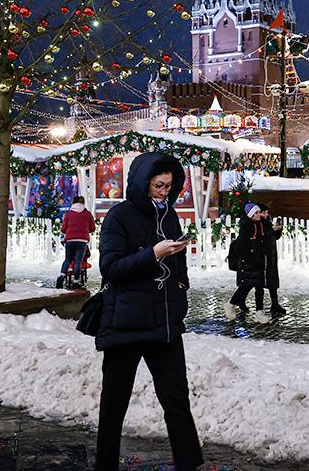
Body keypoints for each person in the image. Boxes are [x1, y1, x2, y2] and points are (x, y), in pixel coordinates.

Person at [94, 152, 204, 471]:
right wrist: (152, 254)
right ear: (143, 183)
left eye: (169, 186)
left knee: (176, 399)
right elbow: (111, 268)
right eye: (158, 185)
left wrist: (181, 281)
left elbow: (176, 260)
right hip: (126, 323)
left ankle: (189, 463)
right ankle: (105, 464)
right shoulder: (118, 217)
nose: (164, 191)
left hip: (164, 323)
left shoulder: (169, 215)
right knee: (114, 404)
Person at [224, 202, 285, 320]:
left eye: (259, 212)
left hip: (259, 260)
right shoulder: (247, 227)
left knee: (259, 287)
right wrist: (250, 258)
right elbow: (240, 246)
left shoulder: (260, 224)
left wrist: (275, 230)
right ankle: (231, 304)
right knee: (246, 286)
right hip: (250, 262)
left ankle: (259, 312)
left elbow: (264, 237)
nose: (260, 215)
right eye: (257, 213)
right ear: (251, 215)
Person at [60, 195, 96, 286]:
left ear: (73, 203)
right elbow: (93, 228)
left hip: (70, 240)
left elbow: (63, 229)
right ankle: (76, 281)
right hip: (82, 241)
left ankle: (61, 276)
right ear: (83, 203)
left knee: (67, 259)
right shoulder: (87, 214)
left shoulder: (69, 214)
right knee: (78, 261)